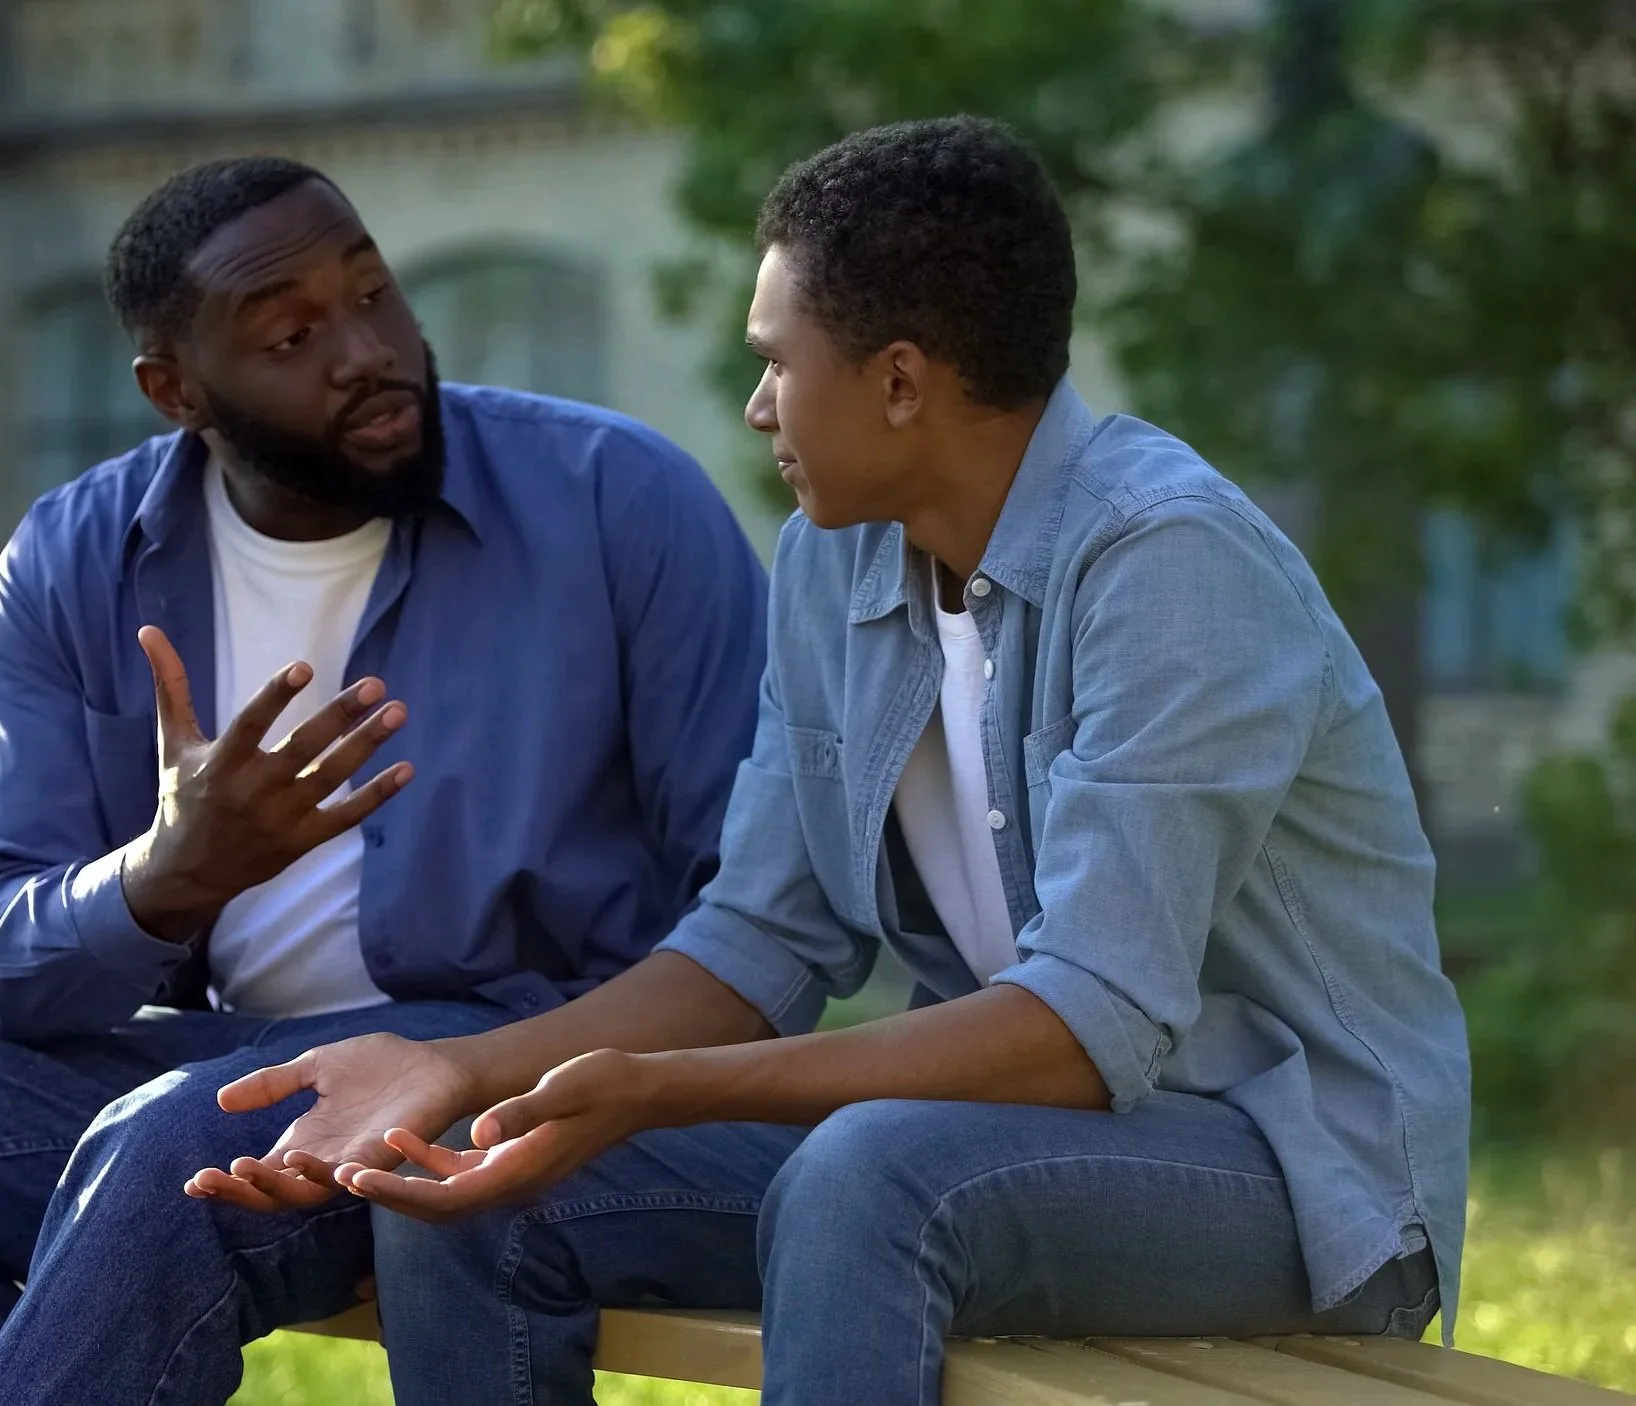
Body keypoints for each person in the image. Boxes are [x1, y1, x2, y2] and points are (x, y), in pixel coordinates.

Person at [196, 117, 1471, 1406]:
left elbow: (1083, 1027)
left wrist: (660, 1091)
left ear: (900, 383)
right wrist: (463, 1070)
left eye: (774, 362)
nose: (757, 407)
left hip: (1295, 1178)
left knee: (866, 1175)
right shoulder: (835, 553)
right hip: (1003, 1147)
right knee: (477, 1178)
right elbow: (755, 938)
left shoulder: (1169, 562)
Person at [0, 156, 769, 1406]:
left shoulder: (613, 501)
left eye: (372, 294)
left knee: (173, 1136)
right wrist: (160, 879)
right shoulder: (72, 562)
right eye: (291, 336)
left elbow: (756, 915)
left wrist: (509, 1064)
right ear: (176, 390)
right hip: (224, 1059)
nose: (367, 351)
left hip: (515, 1055)